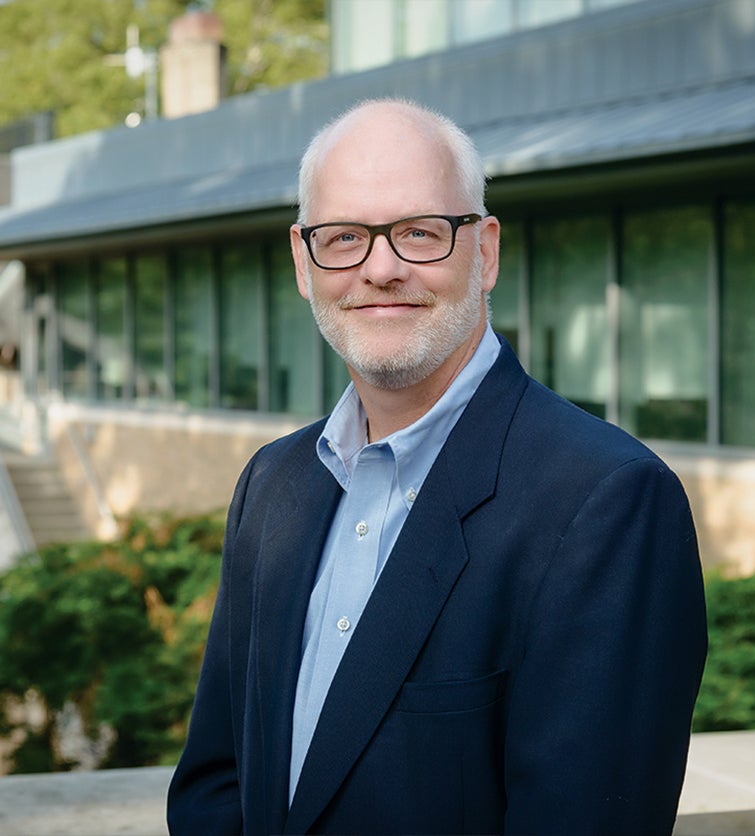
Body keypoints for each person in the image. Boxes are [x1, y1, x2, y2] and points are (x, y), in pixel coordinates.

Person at [167, 98, 707, 835]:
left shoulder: (606, 501)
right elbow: (215, 786)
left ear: (484, 252)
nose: (380, 269)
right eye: (345, 236)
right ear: (303, 260)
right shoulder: (273, 484)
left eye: (419, 232)